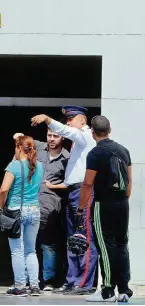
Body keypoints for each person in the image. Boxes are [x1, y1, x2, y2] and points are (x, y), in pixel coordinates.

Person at [30, 106, 97, 295]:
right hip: (73, 193)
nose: (68, 122)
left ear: (82, 120)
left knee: (84, 238)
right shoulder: (77, 142)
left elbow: (65, 131)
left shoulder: (84, 136)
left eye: (71, 118)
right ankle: (72, 280)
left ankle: (84, 283)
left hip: (83, 192)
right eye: (66, 119)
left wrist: (47, 119)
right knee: (72, 240)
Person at [76, 115, 133, 302]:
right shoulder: (123, 150)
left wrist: (81, 208)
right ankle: (124, 289)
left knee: (104, 246)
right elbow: (130, 180)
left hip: (103, 204)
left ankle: (107, 290)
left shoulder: (95, 153)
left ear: (92, 132)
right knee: (121, 244)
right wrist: (123, 199)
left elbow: (87, 184)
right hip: (123, 203)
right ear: (109, 130)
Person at [14, 129, 69, 291]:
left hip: (50, 206)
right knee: (26, 243)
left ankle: (48, 280)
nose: (51, 139)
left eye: (55, 136)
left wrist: (54, 186)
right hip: (30, 201)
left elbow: (72, 182)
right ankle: (25, 279)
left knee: (48, 244)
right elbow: (19, 137)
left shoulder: (67, 157)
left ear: (63, 137)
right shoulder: (38, 147)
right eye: (49, 135)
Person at [0, 135, 44, 297]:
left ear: (18, 148)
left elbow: (3, 189)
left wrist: (1, 206)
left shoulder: (14, 166)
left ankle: (20, 285)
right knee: (31, 250)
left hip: (16, 210)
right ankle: (34, 285)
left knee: (17, 250)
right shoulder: (39, 166)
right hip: (34, 210)